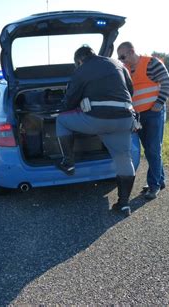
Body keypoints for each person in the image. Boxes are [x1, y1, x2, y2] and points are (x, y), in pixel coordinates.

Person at [55, 45, 136, 216]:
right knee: (124, 158)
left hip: (98, 120)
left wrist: (61, 107)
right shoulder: (118, 64)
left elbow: (70, 101)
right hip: (125, 118)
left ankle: (68, 163)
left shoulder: (82, 70)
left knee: (61, 120)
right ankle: (124, 204)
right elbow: (131, 90)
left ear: (79, 60)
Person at [117, 42, 169, 200]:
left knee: (153, 149)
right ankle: (160, 180)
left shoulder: (151, 63)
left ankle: (153, 186)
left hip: (154, 113)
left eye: (122, 56)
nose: (121, 60)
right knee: (149, 150)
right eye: (119, 58)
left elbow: (167, 83)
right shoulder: (125, 69)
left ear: (132, 51)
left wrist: (158, 103)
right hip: (138, 116)